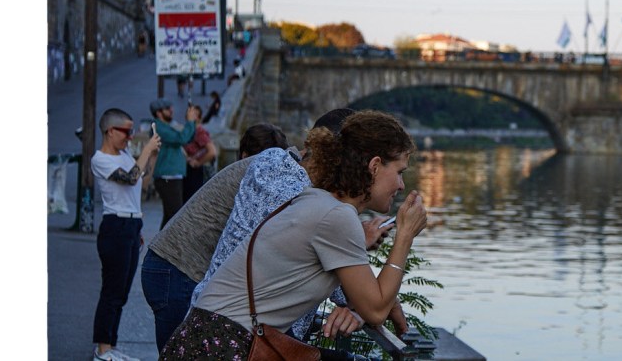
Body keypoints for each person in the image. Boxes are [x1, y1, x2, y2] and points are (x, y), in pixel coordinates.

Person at [162, 111, 427, 359]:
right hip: (223, 345)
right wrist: (404, 236)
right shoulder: (336, 216)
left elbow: (365, 296)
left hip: (206, 337)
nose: (401, 185)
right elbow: (376, 309)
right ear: (375, 166)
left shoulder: (317, 201)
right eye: (400, 172)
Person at [141, 123, 288, 352]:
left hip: (169, 266)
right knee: (181, 354)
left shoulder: (241, 174)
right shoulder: (255, 178)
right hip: (178, 270)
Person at [90, 108, 161, 361]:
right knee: (111, 291)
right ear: (110, 131)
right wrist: (145, 150)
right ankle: (102, 349)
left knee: (121, 293)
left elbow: (143, 181)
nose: (130, 137)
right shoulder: (101, 159)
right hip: (115, 226)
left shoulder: (124, 155)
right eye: (126, 132)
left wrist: (152, 155)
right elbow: (131, 178)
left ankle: (111, 346)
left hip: (131, 225)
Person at [150, 98, 197, 229]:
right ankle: (164, 242)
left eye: (171, 107)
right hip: (167, 177)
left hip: (173, 176)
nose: (171, 110)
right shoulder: (158, 127)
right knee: (175, 216)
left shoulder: (166, 126)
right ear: (158, 113)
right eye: (167, 109)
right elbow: (181, 138)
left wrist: (191, 122)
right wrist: (190, 122)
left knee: (169, 216)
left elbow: (188, 138)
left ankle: (160, 241)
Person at [181, 104, 217, 204]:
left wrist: (198, 162)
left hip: (196, 171)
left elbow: (212, 151)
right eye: (190, 113)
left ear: (199, 118)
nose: (191, 116)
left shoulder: (199, 132)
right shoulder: (190, 130)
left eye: (195, 114)